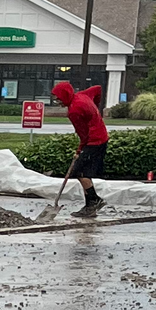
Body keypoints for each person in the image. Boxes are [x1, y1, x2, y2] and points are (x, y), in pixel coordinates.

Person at [51, 73, 109, 214]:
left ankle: (94, 200)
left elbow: (83, 134)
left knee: (80, 172)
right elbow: (97, 89)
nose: (58, 102)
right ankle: (90, 205)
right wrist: (96, 108)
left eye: (58, 99)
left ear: (65, 95)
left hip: (94, 141)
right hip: (100, 137)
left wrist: (79, 150)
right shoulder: (82, 95)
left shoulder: (74, 111)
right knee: (84, 172)